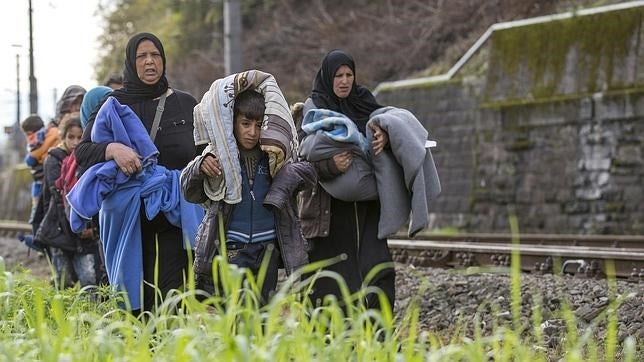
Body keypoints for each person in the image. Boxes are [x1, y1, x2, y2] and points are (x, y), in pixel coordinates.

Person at [72, 32, 203, 312]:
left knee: (172, 303)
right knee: (134, 307)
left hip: (173, 219)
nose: (149, 62)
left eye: (155, 55)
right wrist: (112, 150)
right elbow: (82, 153)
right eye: (141, 56)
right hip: (128, 222)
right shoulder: (112, 105)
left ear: (163, 60)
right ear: (131, 63)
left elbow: (204, 150)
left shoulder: (186, 103)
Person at [182, 88, 314, 304]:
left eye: (259, 125)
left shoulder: (275, 156)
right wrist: (199, 167)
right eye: (246, 124)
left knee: (262, 316)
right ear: (232, 122)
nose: (252, 132)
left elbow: (308, 175)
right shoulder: (219, 155)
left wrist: (287, 176)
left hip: (266, 251)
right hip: (232, 250)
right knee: (234, 315)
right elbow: (188, 190)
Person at [298, 50, 396, 312]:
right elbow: (299, 162)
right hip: (329, 214)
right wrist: (330, 166)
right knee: (332, 281)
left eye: (349, 75)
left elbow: (386, 129)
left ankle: (379, 339)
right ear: (328, 77)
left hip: (367, 210)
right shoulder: (314, 108)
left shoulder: (364, 102)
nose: (344, 81)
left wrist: (385, 139)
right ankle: (330, 346)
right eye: (338, 75)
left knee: (378, 270)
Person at [40, 117, 105, 288]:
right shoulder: (54, 159)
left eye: (79, 137)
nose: (75, 142)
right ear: (63, 137)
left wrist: (89, 228)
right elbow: (58, 198)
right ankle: (62, 312)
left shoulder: (87, 158)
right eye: (71, 137)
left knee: (89, 279)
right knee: (64, 279)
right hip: (61, 228)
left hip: (83, 231)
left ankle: (86, 313)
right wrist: (80, 227)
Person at [21, 114, 58, 240]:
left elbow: (31, 159)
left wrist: (32, 157)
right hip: (46, 177)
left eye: (28, 134)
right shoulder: (49, 132)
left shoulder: (43, 136)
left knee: (39, 210)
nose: (28, 138)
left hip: (45, 179)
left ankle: (39, 237)